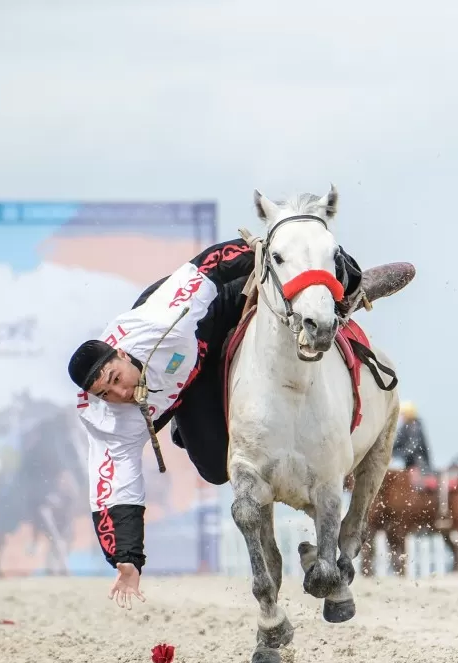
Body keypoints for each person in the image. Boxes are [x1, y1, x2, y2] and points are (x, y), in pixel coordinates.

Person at [68, 235, 413, 609]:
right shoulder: (105, 420)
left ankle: (347, 293)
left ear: (121, 354)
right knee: (217, 470)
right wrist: (127, 559)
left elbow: (210, 264)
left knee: (274, 298)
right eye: (106, 393)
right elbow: (114, 487)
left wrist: (265, 247)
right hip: (191, 381)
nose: (118, 395)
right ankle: (189, 417)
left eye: (117, 379)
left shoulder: (164, 317)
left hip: (210, 312)